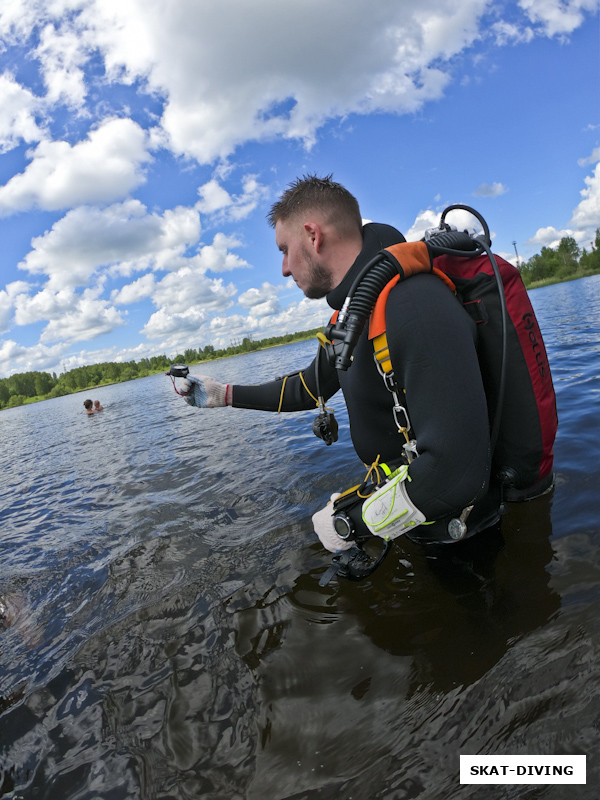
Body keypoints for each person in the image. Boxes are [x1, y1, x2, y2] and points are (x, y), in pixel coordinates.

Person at [180, 175, 546, 557]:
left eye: (284, 250)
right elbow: (310, 386)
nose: (285, 269)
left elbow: (457, 475)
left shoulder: (413, 304)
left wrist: (351, 522)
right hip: (417, 518)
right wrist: (223, 394)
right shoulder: (354, 312)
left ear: (312, 235)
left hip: (471, 541)